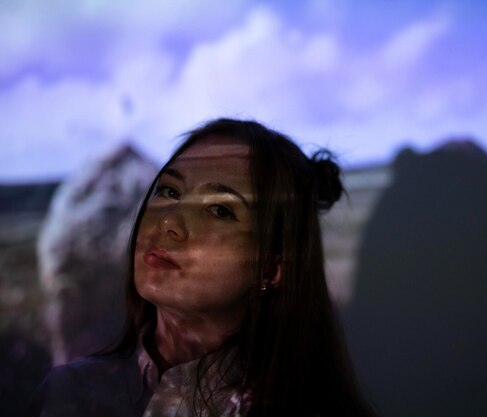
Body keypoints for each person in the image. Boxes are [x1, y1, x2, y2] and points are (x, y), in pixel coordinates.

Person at [28, 118, 375, 417]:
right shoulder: (67, 397)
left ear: (270, 269)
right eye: (168, 191)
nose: (168, 222)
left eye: (220, 210)